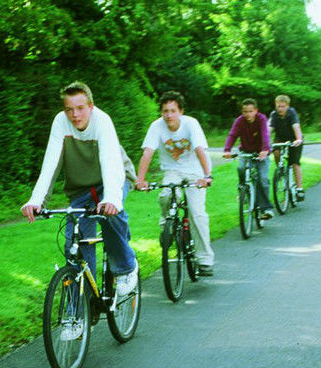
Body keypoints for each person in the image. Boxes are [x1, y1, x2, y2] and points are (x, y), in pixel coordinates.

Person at [21, 81, 138, 299]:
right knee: (74, 248)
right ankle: (81, 311)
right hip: (81, 188)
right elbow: (51, 163)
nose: (74, 115)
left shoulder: (102, 122)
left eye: (80, 108)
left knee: (111, 214)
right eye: (69, 109)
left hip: (112, 179)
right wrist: (36, 201)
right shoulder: (60, 123)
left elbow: (111, 162)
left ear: (91, 107)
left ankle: (126, 267)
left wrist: (112, 197)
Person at [134, 91, 215, 277]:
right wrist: (140, 179)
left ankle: (205, 259)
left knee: (197, 212)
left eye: (172, 110)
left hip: (196, 170)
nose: (168, 115)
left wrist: (207, 176)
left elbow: (200, 149)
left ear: (180, 111)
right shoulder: (156, 126)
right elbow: (147, 153)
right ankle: (167, 226)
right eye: (165, 111)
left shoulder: (191, 124)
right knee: (166, 195)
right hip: (172, 170)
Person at [222, 98, 274, 220]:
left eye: (250, 111)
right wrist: (227, 149)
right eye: (245, 111)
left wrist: (265, 149)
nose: (248, 114)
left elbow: (265, 134)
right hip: (246, 151)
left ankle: (266, 208)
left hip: (261, 152)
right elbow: (232, 135)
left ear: (256, 110)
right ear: (242, 111)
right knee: (241, 168)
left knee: (262, 178)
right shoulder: (239, 121)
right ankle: (242, 190)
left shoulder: (261, 119)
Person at [268, 94, 305, 201]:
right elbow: (269, 128)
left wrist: (298, 139)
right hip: (280, 138)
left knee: (294, 162)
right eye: (278, 106)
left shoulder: (291, 113)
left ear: (287, 106)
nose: (280, 109)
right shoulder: (274, 115)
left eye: (283, 106)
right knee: (276, 152)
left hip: (294, 139)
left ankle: (299, 189)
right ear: (275, 106)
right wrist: (265, 141)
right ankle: (281, 171)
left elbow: (296, 126)